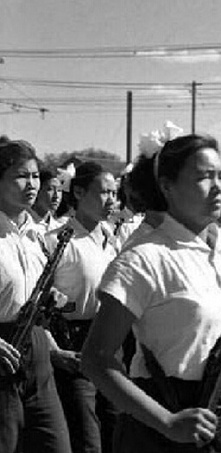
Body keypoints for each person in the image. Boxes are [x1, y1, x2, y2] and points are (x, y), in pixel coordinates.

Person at [81, 134, 221, 453]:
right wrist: (166, 422)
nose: (217, 187)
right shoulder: (144, 258)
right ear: (167, 186)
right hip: (172, 411)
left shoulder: (220, 252)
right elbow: (96, 359)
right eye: (202, 177)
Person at [0, 138, 71, 453]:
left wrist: (50, 297)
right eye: (20, 176)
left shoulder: (36, 234)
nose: (31, 184)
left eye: (34, 176)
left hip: (38, 353)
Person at [46, 161, 119, 453]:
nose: (111, 200)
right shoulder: (58, 240)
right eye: (104, 192)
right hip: (74, 343)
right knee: (87, 436)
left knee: (115, 427)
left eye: (114, 193)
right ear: (78, 193)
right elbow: (40, 300)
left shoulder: (112, 239)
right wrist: (55, 348)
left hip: (111, 343)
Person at [31, 168, 67, 233]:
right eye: (50, 189)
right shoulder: (24, 225)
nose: (56, 196)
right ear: (37, 191)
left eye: (59, 190)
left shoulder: (59, 229)